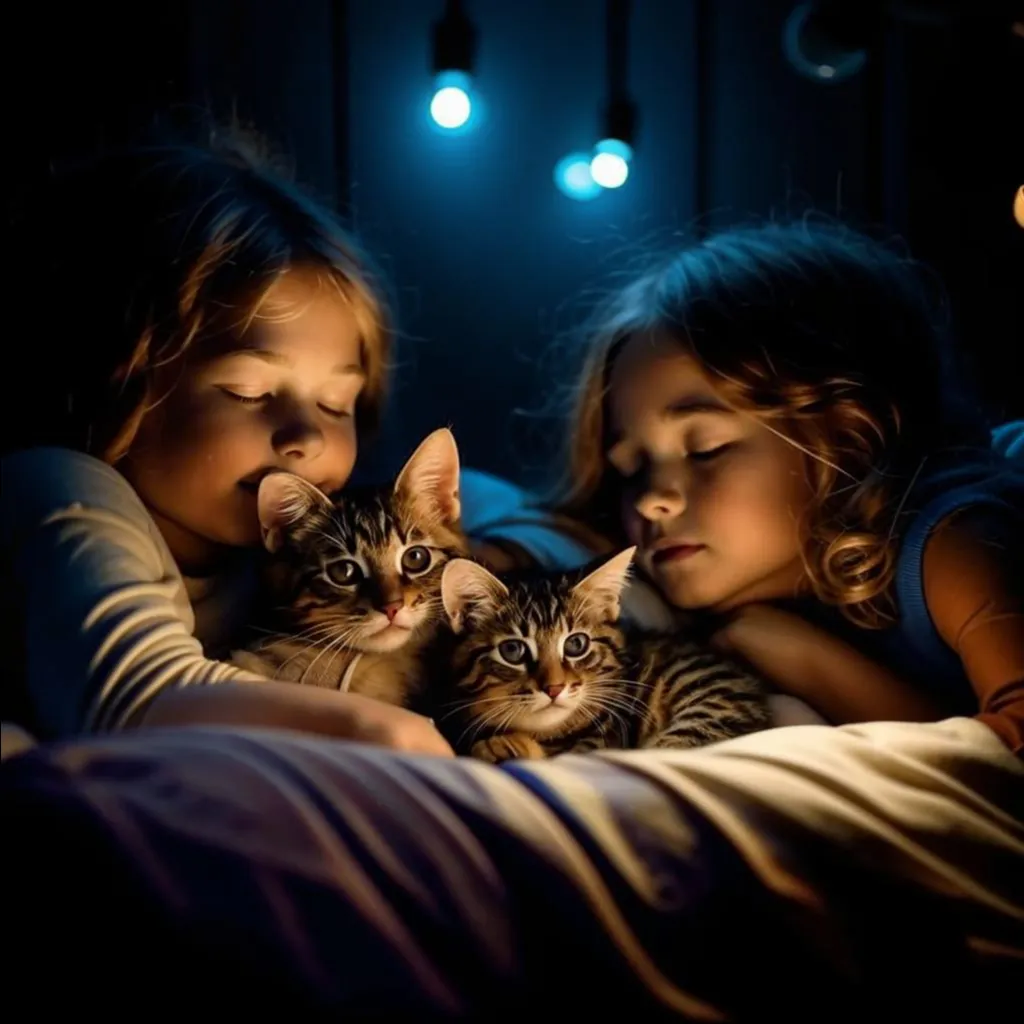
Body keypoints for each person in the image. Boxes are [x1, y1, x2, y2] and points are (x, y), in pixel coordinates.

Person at [1, 127, 454, 753]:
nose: (306, 437)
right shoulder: (59, 485)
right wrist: (382, 730)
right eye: (247, 391)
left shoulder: (271, 561)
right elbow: (135, 699)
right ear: (117, 381)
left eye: (336, 404)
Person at [555, 219, 1023, 751]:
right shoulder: (693, 604)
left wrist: (807, 660)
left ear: (845, 439)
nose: (650, 498)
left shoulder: (954, 543)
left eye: (705, 448)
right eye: (630, 468)